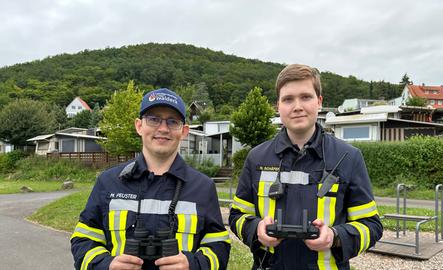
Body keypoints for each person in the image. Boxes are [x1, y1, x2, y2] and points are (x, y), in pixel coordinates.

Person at [229, 64, 383, 269]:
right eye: (288, 99)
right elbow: (237, 216)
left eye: (305, 97)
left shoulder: (348, 157)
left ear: (319, 101)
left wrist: (335, 237)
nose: (297, 106)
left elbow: (371, 225)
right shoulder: (256, 158)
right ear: (278, 106)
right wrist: (256, 228)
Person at [71, 88, 230, 270]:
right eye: (153, 119)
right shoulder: (108, 182)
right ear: (139, 126)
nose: (163, 128)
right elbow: (83, 239)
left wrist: (192, 264)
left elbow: (219, 247)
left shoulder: (203, 187)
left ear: (184, 131)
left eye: (172, 121)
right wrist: (107, 265)